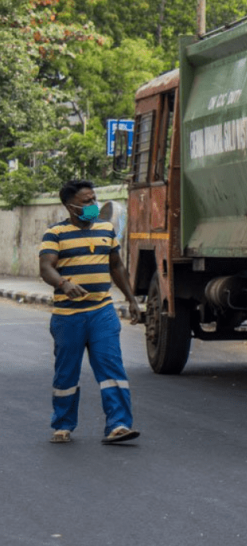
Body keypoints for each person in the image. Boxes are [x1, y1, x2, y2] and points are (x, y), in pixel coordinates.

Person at [39, 180, 142, 445]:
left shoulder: (107, 230)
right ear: (70, 205)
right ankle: (62, 425)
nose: (93, 205)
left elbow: (116, 266)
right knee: (66, 373)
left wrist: (131, 299)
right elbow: (46, 268)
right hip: (67, 316)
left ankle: (118, 424)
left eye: (94, 199)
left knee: (111, 368)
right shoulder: (55, 234)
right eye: (86, 202)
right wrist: (64, 283)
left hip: (102, 312)